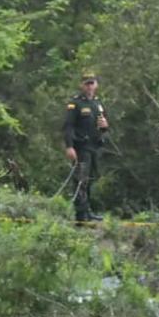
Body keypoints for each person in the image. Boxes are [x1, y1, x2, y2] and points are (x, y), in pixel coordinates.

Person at [62, 73, 110, 222]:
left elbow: (103, 126)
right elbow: (68, 127)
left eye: (92, 83)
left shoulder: (97, 103)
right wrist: (69, 146)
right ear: (81, 85)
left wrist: (105, 126)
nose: (89, 86)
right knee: (80, 180)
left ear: (96, 85)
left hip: (94, 147)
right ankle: (81, 215)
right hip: (81, 147)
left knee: (89, 179)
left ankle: (88, 211)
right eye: (87, 83)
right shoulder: (75, 103)